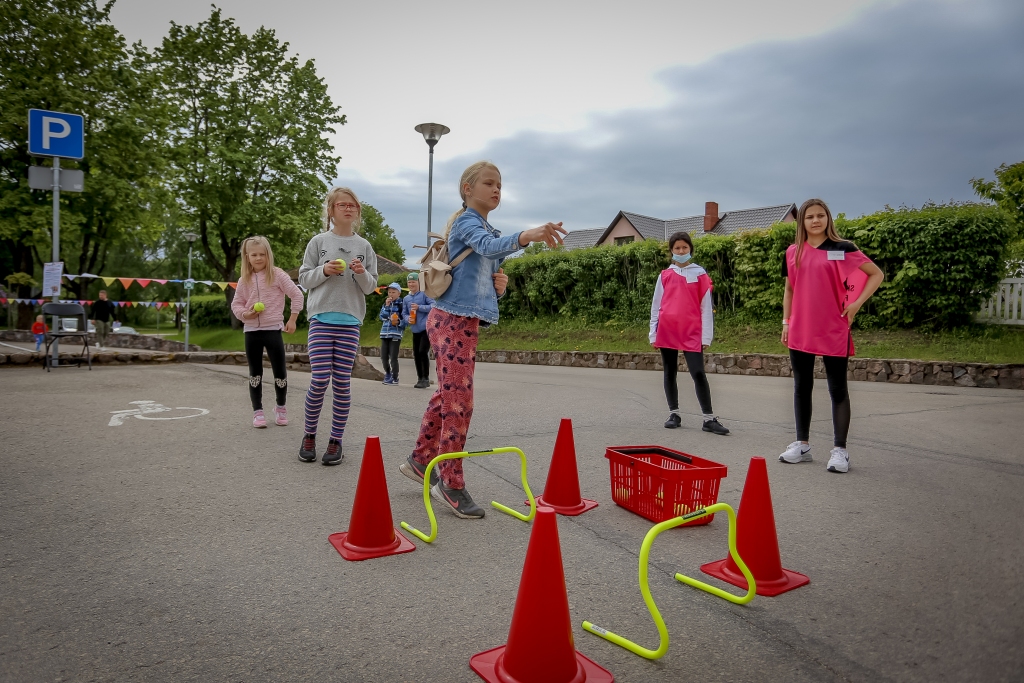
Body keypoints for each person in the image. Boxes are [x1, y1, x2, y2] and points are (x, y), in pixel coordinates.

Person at [399, 160, 566, 519]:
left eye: (499, 186)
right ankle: (451, 482)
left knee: (448, 396)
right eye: (489, 183)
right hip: (450, 321)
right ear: (467, 189)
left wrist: (499, 289)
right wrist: (529, 235)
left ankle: (419, 461)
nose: (496, 190)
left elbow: (485, 275)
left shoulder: (487, 228)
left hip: (464, 323)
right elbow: (489, 247)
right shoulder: (467, 223)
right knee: (460, 403)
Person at [778, 198, 884, 473]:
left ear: (828, 219)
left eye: (820, 215)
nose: (815, 220)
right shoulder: (792, 252)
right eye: (809, 216)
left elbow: (876, 274)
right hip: (800, 328)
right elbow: (789, 290)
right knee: (802, 387)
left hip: (833, 328)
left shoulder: (842, 248)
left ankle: (840, 451)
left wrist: (857, 303)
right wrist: (786, 322)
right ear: (802, 222)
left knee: (837, 389)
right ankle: (802, 445)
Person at [297, 187, 378, 465]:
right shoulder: (318, 242)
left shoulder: (364, 246)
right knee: (319, 379)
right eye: (342, 204)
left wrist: (361, 273)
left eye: (353, 205)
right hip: (321, 319)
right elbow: (304, 279)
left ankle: (335, 441)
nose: (348, 208)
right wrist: (324, 270)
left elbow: (371, 287)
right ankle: (309, 435)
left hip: (350, 322)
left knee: (342, 382)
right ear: (331, 211)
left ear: (357, 212)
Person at [649, 231, 729, 435]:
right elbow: (656, 305)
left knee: (698, 372)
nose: (681, 251)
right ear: (671, 251)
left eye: (684, 247)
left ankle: (709, 419)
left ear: (690, 249)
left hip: (692, 331)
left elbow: (705, 307)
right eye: (677, 248)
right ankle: (674, 414)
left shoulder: (700, 274)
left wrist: (706, 336)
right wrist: (653, 332)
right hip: (667, 330)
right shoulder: (664, 275)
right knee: (670, 372)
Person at [231, 236, 303, 429]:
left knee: (280, 371)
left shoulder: (277, 275)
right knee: (255, 372)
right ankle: (258, 412)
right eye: (254, 254)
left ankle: (280, 407)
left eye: (262, 254)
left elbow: (297, 294)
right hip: (252, 331)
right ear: (247, 256)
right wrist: (247, 314)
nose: (258, 258)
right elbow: (236, 304)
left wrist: (293, 318)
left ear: (268, 255)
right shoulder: (243, 279)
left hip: (273, 330)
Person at [402, 272, 434, 389]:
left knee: (422, 351)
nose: (411, 284)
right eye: (409, 282)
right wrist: (407, 318)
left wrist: (420, 307)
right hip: (414, 329)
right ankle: (419, 378)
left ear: (419, 282)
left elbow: (434, 306)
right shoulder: (406, 298)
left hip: (426, 328)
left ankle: (426, 378)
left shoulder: (425, 294)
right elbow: (404, 313)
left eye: (413, 282)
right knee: (416, 354)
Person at [378, 282, 405, 386]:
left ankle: (395, 377)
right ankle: (388, 374)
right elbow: (382, 317)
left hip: (396, 334)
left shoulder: (402, 304)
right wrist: (386, 306)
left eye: (393, 292)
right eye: (389, 292)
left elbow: (405, 320)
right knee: (384, 356)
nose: (391, 294)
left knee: (393, 357)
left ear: (399, 293)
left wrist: (398, 322)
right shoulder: (386, 304)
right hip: (384, 333)